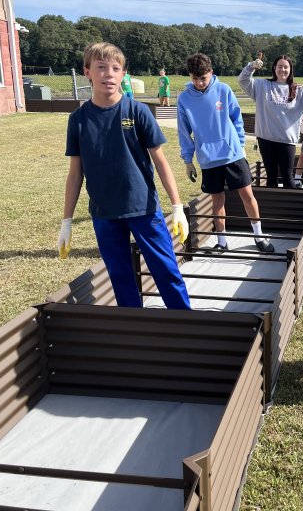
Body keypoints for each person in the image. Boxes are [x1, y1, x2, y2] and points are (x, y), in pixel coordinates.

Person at [57, 42, 191, 310]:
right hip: (104, 213)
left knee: (166, 271)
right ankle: (133, 327)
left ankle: (185, 322)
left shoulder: (137, 111)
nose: (109, 74)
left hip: (142, 208)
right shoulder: (79, 120)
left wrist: (177, 206)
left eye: (115, 69)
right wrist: (67, 220)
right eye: (101, 67)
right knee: (120, 277)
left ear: (123, 74)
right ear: (87, 73)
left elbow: (161, 161)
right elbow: (75, 174)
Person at [178, 53, 274, 253]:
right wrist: (188, 160)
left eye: (203, 78)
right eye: (194, 78)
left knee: (247, 195)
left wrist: (240, 145)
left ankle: (259, 236)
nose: (199, 83)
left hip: (233, 155)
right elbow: (183, 131)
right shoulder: (184, 98)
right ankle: (221, 241)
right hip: (208, 159)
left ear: (211, 73)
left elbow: (237, 119)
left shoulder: (223, 89)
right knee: (217, 200)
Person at [238, 54, 303, 187]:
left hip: (286, 141)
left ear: (290, 70)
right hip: (266, 139)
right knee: (271, 176)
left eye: (286, 67)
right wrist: (251, 67)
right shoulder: (262, 85)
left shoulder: (299, 90)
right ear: (274, 68)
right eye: (279, 66)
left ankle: (290, 206)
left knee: (287, 176)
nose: (282, 70)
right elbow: (243, 81)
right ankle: (272, 206)